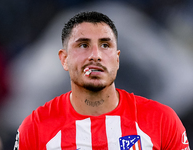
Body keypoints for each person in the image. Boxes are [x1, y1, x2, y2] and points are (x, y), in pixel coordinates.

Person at [14, 11, 190, 150]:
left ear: (117, 58)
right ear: (64, 58)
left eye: (105, 46)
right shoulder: (35, 126)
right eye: (83, 46)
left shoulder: (162, 120)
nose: (95, 56)